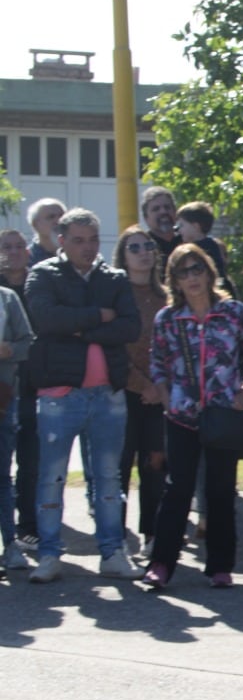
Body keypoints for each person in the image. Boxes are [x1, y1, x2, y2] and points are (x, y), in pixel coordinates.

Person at [24, 208, 142, 584]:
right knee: (51, 478)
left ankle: (112, 552)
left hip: (107, 394)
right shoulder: (43, 274)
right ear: (61, 240)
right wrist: (99, 315)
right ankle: (48, 553)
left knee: (109, 477)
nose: (88, 248)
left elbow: (129, 327)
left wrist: (78, 326)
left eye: (93, 240)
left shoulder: (115, 278)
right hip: (60, 394)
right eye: (78, 240)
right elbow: (45, 321)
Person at [140, 246, 243, 589]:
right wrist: (166, 396)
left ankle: (221, 565)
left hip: (224, 413)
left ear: (209, 272)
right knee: (177, 488)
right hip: (181, 415)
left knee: (221, 490)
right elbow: (158, 362)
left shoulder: (234, 313)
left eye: (197, 269)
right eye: (183, 272)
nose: (192, 278)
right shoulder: (168, 318)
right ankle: (162, 562)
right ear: (174, 281)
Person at [113, 226, 170, 557]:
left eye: (148, 246)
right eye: (135, 247)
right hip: (122, 394)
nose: (144, 252)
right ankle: (115, 537)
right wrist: (141, 385)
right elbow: (113, 348)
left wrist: (158, 388)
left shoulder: (167, 297)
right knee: (118, 469)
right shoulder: (116, 296)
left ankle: (152, 534)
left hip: (160, 395)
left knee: (155, 466)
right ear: (123, 255)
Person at [1, 228, 41, 556]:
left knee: (28, 460)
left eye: (19, 246)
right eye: (6, 247)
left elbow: (29, 341)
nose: (14, 252)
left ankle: (26, 529)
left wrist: (10, 350)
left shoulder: (36, 285)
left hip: (26, 387)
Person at [140, 187, 181, 263]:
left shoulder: (188, 240)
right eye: (156, 209)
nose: (163, 211)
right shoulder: (143, 247)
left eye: (167, 207)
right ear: (146, 218)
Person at [26, 198, 66, 265]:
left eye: (61, 216)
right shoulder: (27, 259)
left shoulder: (75, 254)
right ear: (35, 224)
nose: (58, 221)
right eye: (51, 217)